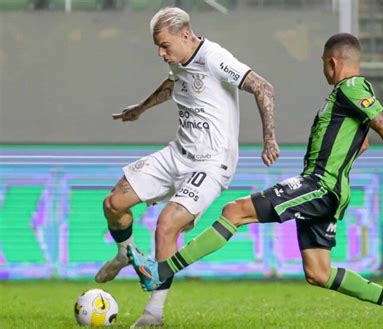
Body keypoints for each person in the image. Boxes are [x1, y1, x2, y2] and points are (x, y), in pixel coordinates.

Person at [128, 33, 383, 328]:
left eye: (324, 64)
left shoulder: (352, 87)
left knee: (235, 211)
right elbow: (361, 144)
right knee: (318, 273)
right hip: (329, 189)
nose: (324, 70)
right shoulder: (347, 95)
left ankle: (161, 271)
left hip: (319, 185)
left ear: (333, 63)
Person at [95, 7, 279, 327]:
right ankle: (125, 252)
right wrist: (140, 109)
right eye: (157, 46)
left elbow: (263, 87)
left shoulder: (214, 57)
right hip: (177, 154)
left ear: (185, 35)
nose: (160, 53)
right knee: (113, 203)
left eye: (164, 45)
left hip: (211, 163)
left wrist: (270, 139)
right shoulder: (180, 61)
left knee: (167, 225)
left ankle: (154, 313)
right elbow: (173, 86)